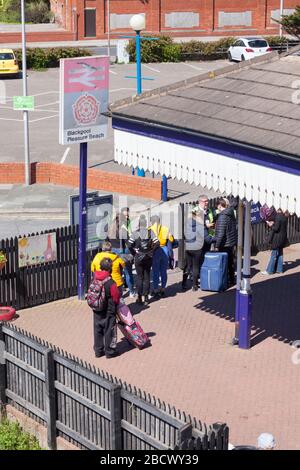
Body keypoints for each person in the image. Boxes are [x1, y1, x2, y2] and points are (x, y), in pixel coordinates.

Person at [127, 215, 160, 305]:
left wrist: (134, 253)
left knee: (139, 277)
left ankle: (139, 297)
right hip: (148, 257)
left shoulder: (135, 233)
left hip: (139, 257)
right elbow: (157, 243)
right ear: (146, 224)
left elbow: (129, 245)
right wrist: (151, 251)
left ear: (139, 224)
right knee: (147, 276)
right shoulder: (150, 232)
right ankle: (146, 298)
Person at [92, 258, 120, 359]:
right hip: (108, 310)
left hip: (96, 309)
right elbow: (116, 297)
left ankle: (98, 351)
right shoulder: (110, 282)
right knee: (109, 330)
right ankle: (110, 351)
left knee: (97, 329)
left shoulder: (94, 277)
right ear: (110, 268)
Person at [149, 215, 174, 299]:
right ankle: (163, 289)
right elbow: (171, 240)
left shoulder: (150, 229)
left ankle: (155, 290)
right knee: (163, 271)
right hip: (164, 249)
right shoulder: (165, 228)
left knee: (155, 272)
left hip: (155, 251)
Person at [214, 198, 237, 286]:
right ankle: (232, 279)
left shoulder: (222, 216)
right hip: (231, 242)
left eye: (217, 206)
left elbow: (221, 233)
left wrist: (217, 245)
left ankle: (224, 281)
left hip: (224, 243)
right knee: (230, 262)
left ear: (220, 206)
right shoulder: (230, 213)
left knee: (224, 264)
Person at [261, 208, 288, 275]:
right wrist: (274, 223)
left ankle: (269, 271)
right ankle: (279, 269)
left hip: (277, 238)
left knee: (274, 254)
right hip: (282, 238)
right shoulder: (285, 216)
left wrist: (270, 224)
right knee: (280, 254)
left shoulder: (278, 216)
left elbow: (276, 228)